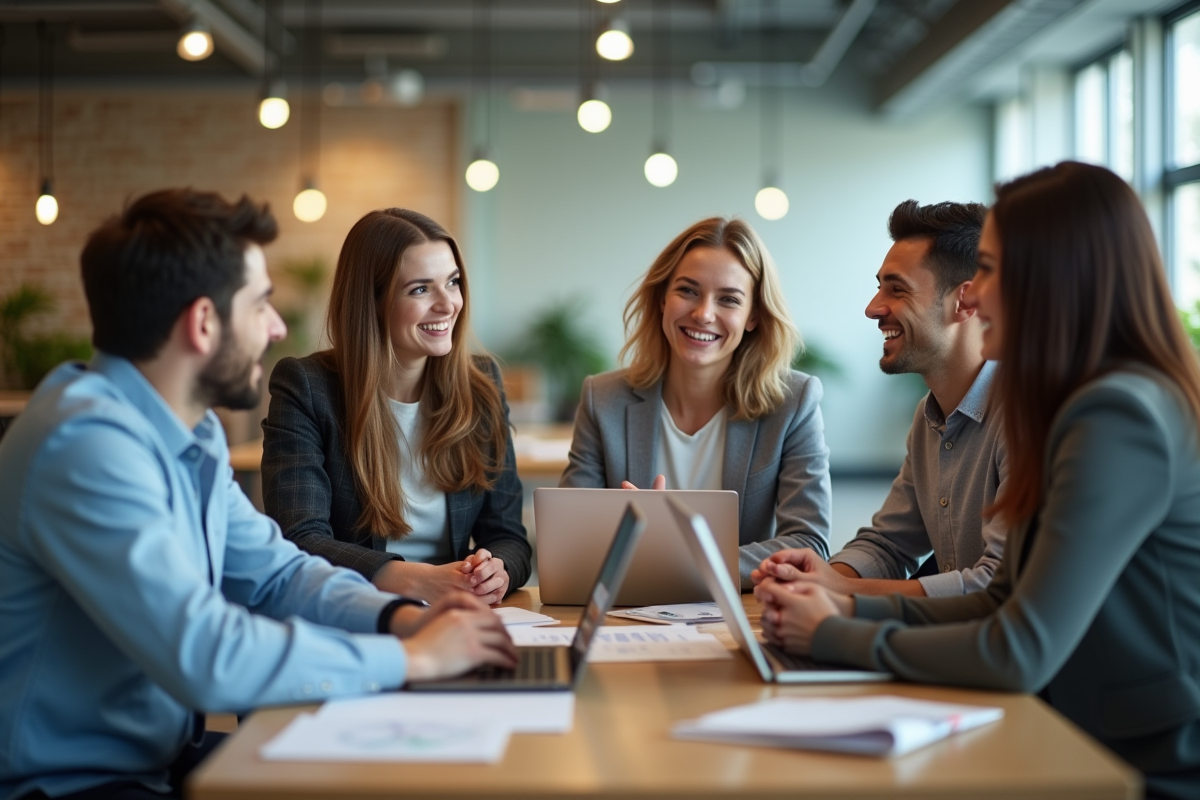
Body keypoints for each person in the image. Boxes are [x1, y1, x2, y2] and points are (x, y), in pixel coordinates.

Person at [0, 190, 516, 800]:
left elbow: (276, 576)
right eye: (261, 305)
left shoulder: (186, 433)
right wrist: (414, 660)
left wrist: (400, 620)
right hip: (69, 781)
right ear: (203, 323)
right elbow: (206, 653)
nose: (276, 328)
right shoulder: (85, 448)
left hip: (158, 754)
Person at [755, 162, 1200, 799]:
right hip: (1075, 731)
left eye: (989, 270)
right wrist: (844, 606)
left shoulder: (1118, 414)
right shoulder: (1074, 403)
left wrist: (834, 633)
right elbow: (1001, 602)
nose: (976, 295)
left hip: (1140, 765)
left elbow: (1021, 649)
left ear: (1051, 274)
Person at [262, 208, 530, 606]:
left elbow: (509, 536)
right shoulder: (307, 387)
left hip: (458, 612)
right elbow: (300, 540)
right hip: (354, 612)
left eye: (452, 282)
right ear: (371, 302)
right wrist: (417, 580)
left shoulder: (481, 384)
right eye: (420, 289)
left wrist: (498, 569)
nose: (447, 305)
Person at [752, 200, 1007, 598]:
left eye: (897, 289)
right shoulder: (929, 417)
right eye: (879, 287)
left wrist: (843, 592)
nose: (873, 308)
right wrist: (814, 579)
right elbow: (888, 544)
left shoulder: (1025, 415)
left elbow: (998, 585)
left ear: (964, 300)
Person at [560, 217, 831, 589]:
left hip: (737, 613)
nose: (703, 313)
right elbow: (571, 535)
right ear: (662, 299)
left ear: (753, 316)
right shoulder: (602, 399)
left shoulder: (793, 403)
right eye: (687, 291)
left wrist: (682, 557)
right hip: (630, 611)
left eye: (729, 299)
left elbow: (809, 543)